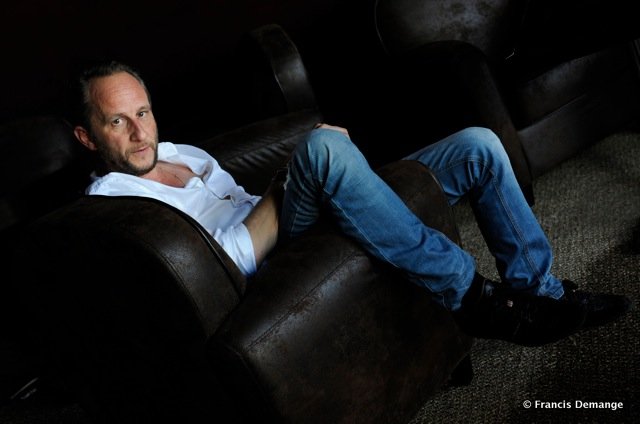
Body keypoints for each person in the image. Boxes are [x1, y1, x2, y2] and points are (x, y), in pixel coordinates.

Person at [69, 60, 631, 347]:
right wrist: (293, 180)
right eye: (117, 121)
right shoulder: (113, 204)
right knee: (321, 148)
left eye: (142, 112)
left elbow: (254, 195)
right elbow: (225, 265)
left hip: (292, 216)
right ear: (87, 137)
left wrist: (303, 178)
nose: (139, 132)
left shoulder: (178, 151)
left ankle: (540, 291)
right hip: (273, 258)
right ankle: (474, 298)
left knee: (478, 146)